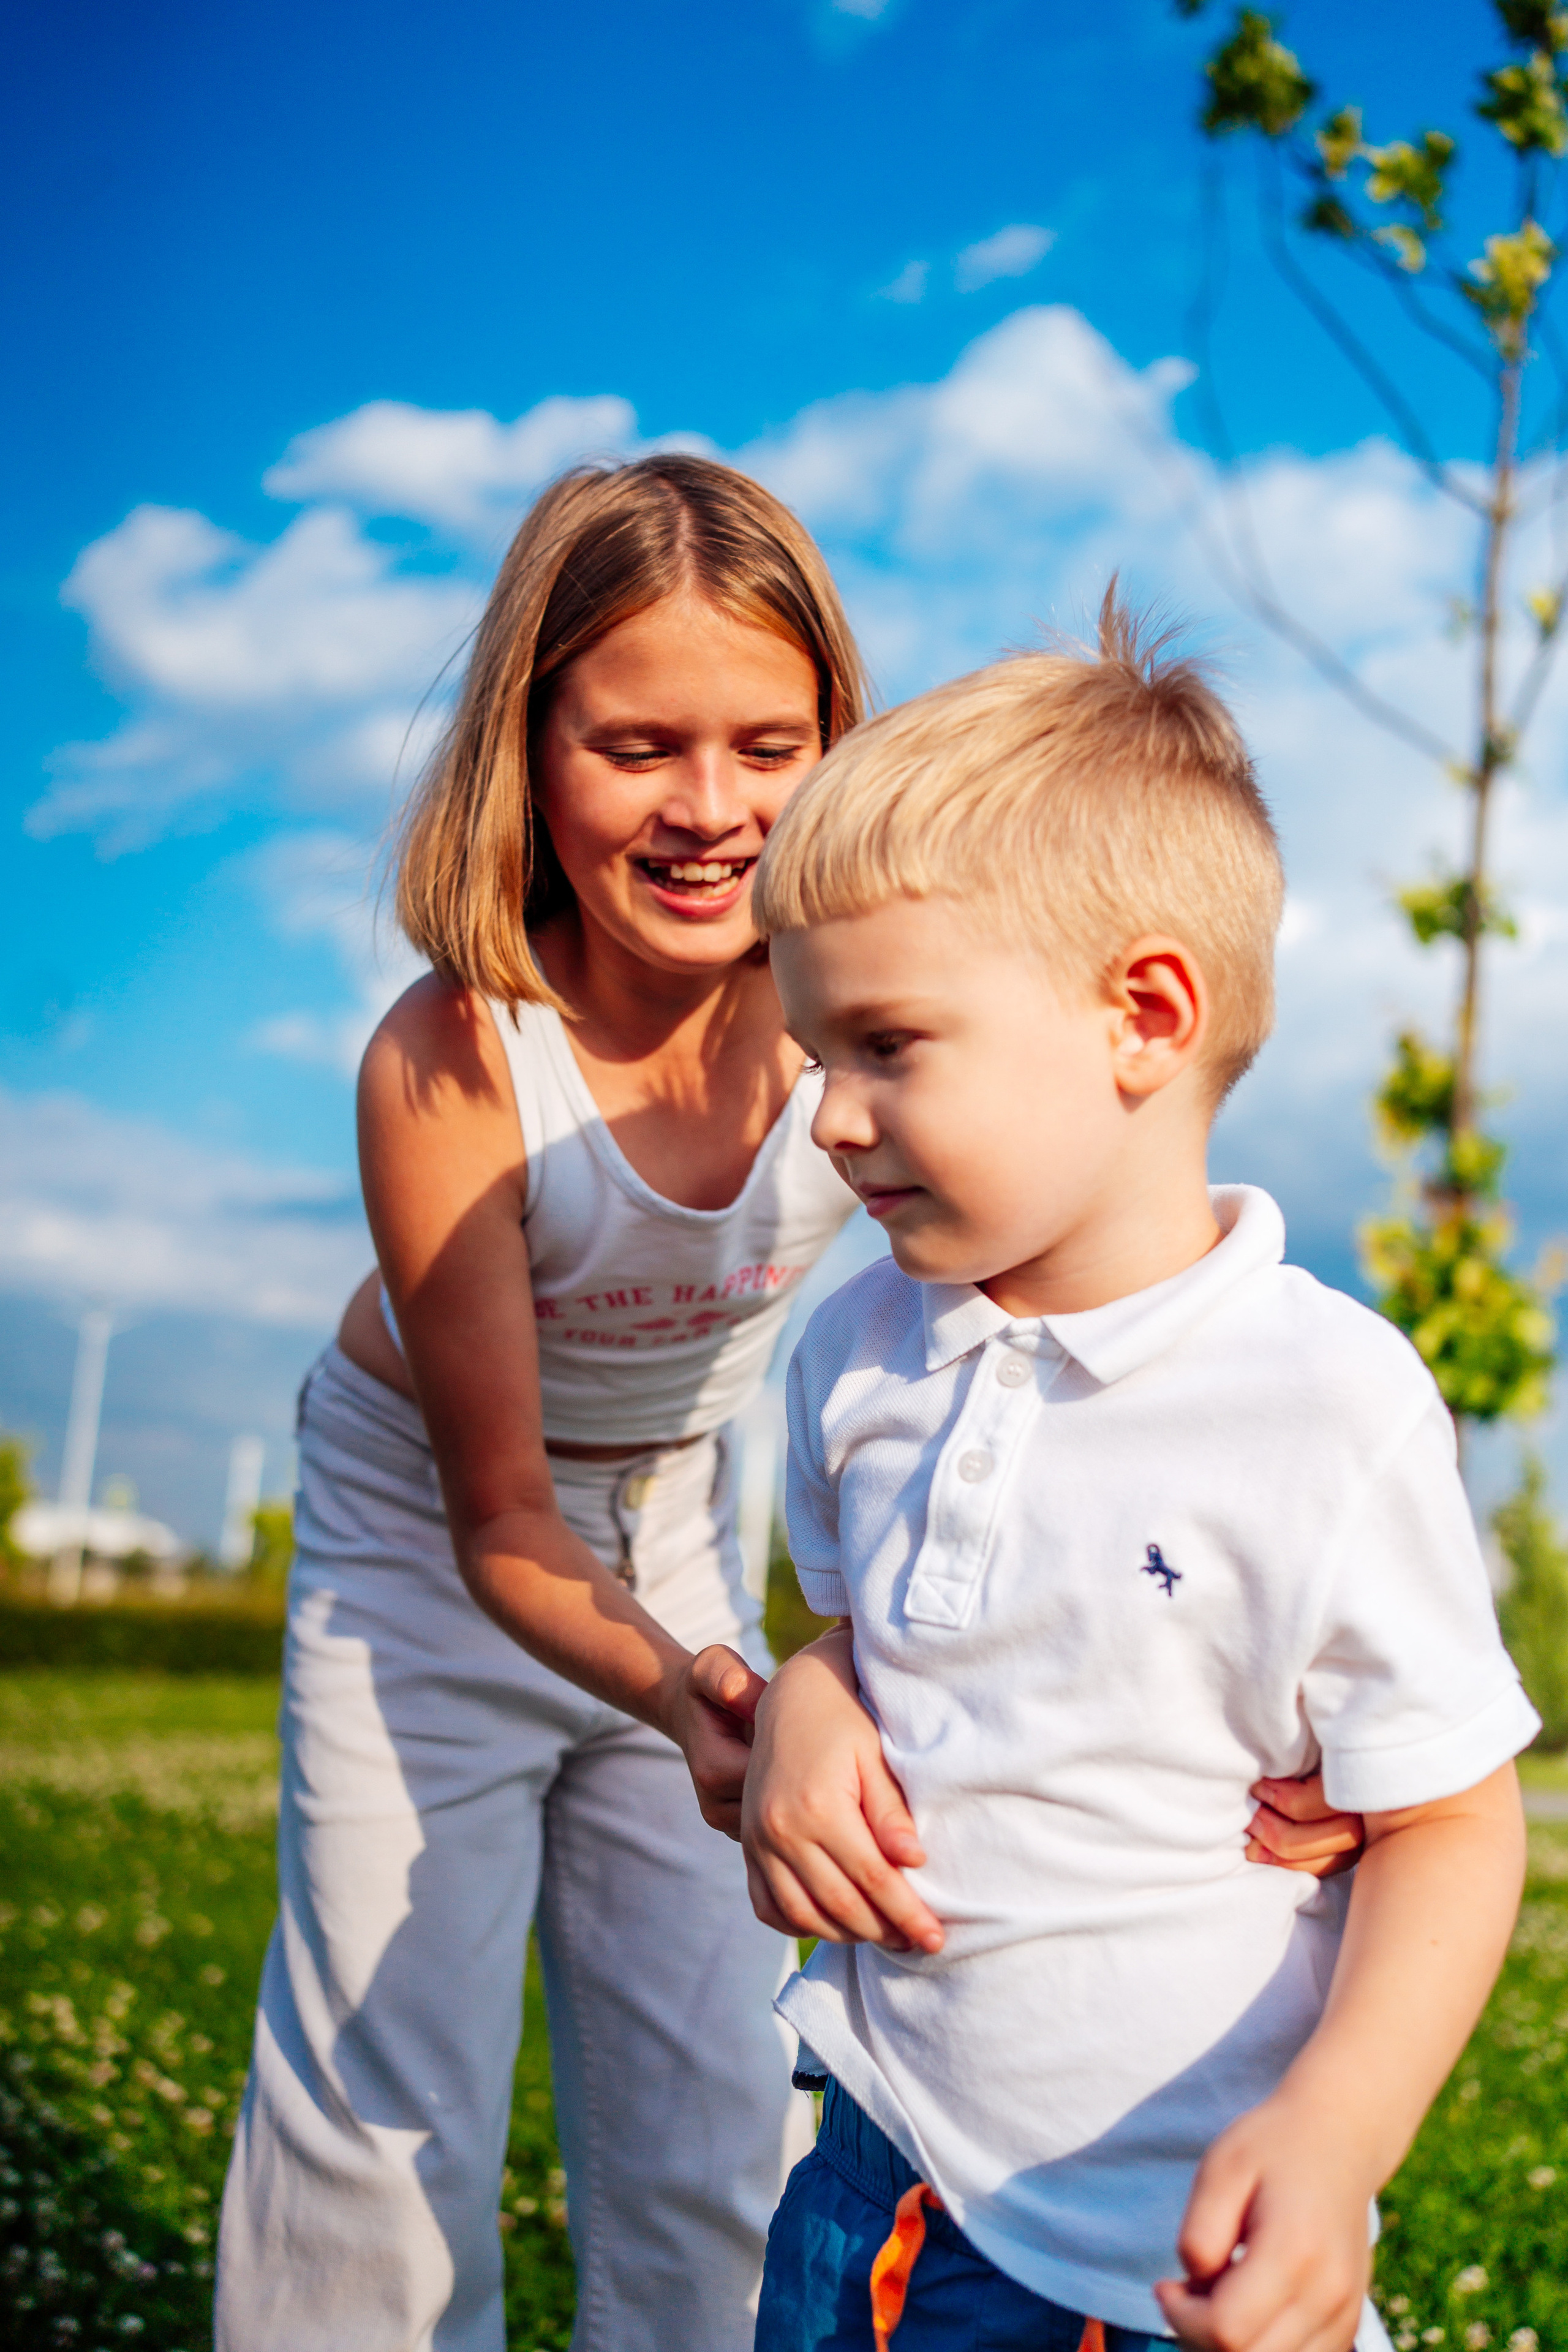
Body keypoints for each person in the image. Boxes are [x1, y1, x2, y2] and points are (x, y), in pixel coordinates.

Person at [214, 459, 1359, 2352]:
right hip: (433, 1541)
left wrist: (1267, 1700)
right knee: (384, 2061)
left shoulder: (853, 1009)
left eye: (770, 741)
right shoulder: (454, 1057)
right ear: (531, 748)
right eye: (636, 745)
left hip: (677, 1509)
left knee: (711, 2077)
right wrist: (689, 1686)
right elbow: (498, 1513)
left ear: (837, 742)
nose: (710, 808)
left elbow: (1054, 1370)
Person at [739, 602, 1537, 2352]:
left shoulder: (1326, 1402)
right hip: (877, 2177)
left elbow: (1453, 1819)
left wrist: (1341, 2134)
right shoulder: (853, 1355)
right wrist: (809, 1702)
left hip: (1173, 2246)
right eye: (816, 1058)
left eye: (888, 1045)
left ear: (1144, 1014)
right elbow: (869, 1640)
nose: (829, 1118)